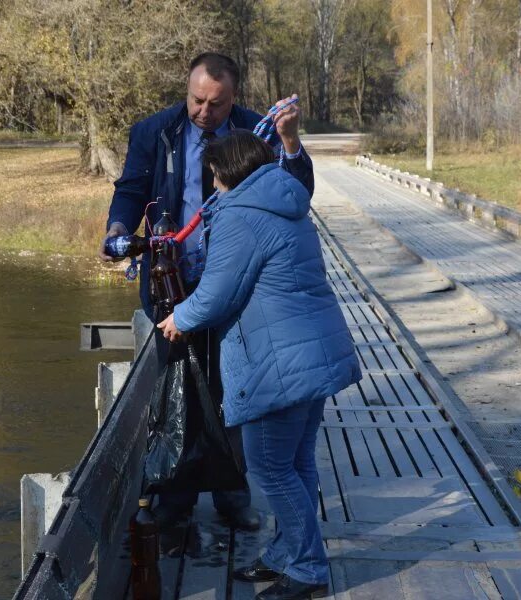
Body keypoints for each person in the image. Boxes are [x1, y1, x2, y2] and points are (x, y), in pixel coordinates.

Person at [99, 52, 315, 532]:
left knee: (235, 387)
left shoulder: (257, 133)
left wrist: (292, 142)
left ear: (234, 98)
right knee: (175, 390)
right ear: (187, 90)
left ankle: (231, 494)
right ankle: (174, 498)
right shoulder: (154, 131)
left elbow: (298, 193)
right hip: (171, 284)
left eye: (215, 104)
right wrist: (117, 227)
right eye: (197, 100)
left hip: (240, 287)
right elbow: (131, 189)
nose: (203, 112)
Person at [157, 130, 361, 600]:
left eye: (212, 172)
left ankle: (308, 569)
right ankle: (286, 554)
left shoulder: (240, 216)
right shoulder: (285, 199)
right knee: (297, 463)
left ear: (227, 170)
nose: (211, 182)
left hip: (278, 362)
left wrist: (179, 318)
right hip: (313, 353)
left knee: (270, 468)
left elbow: (218, 291)